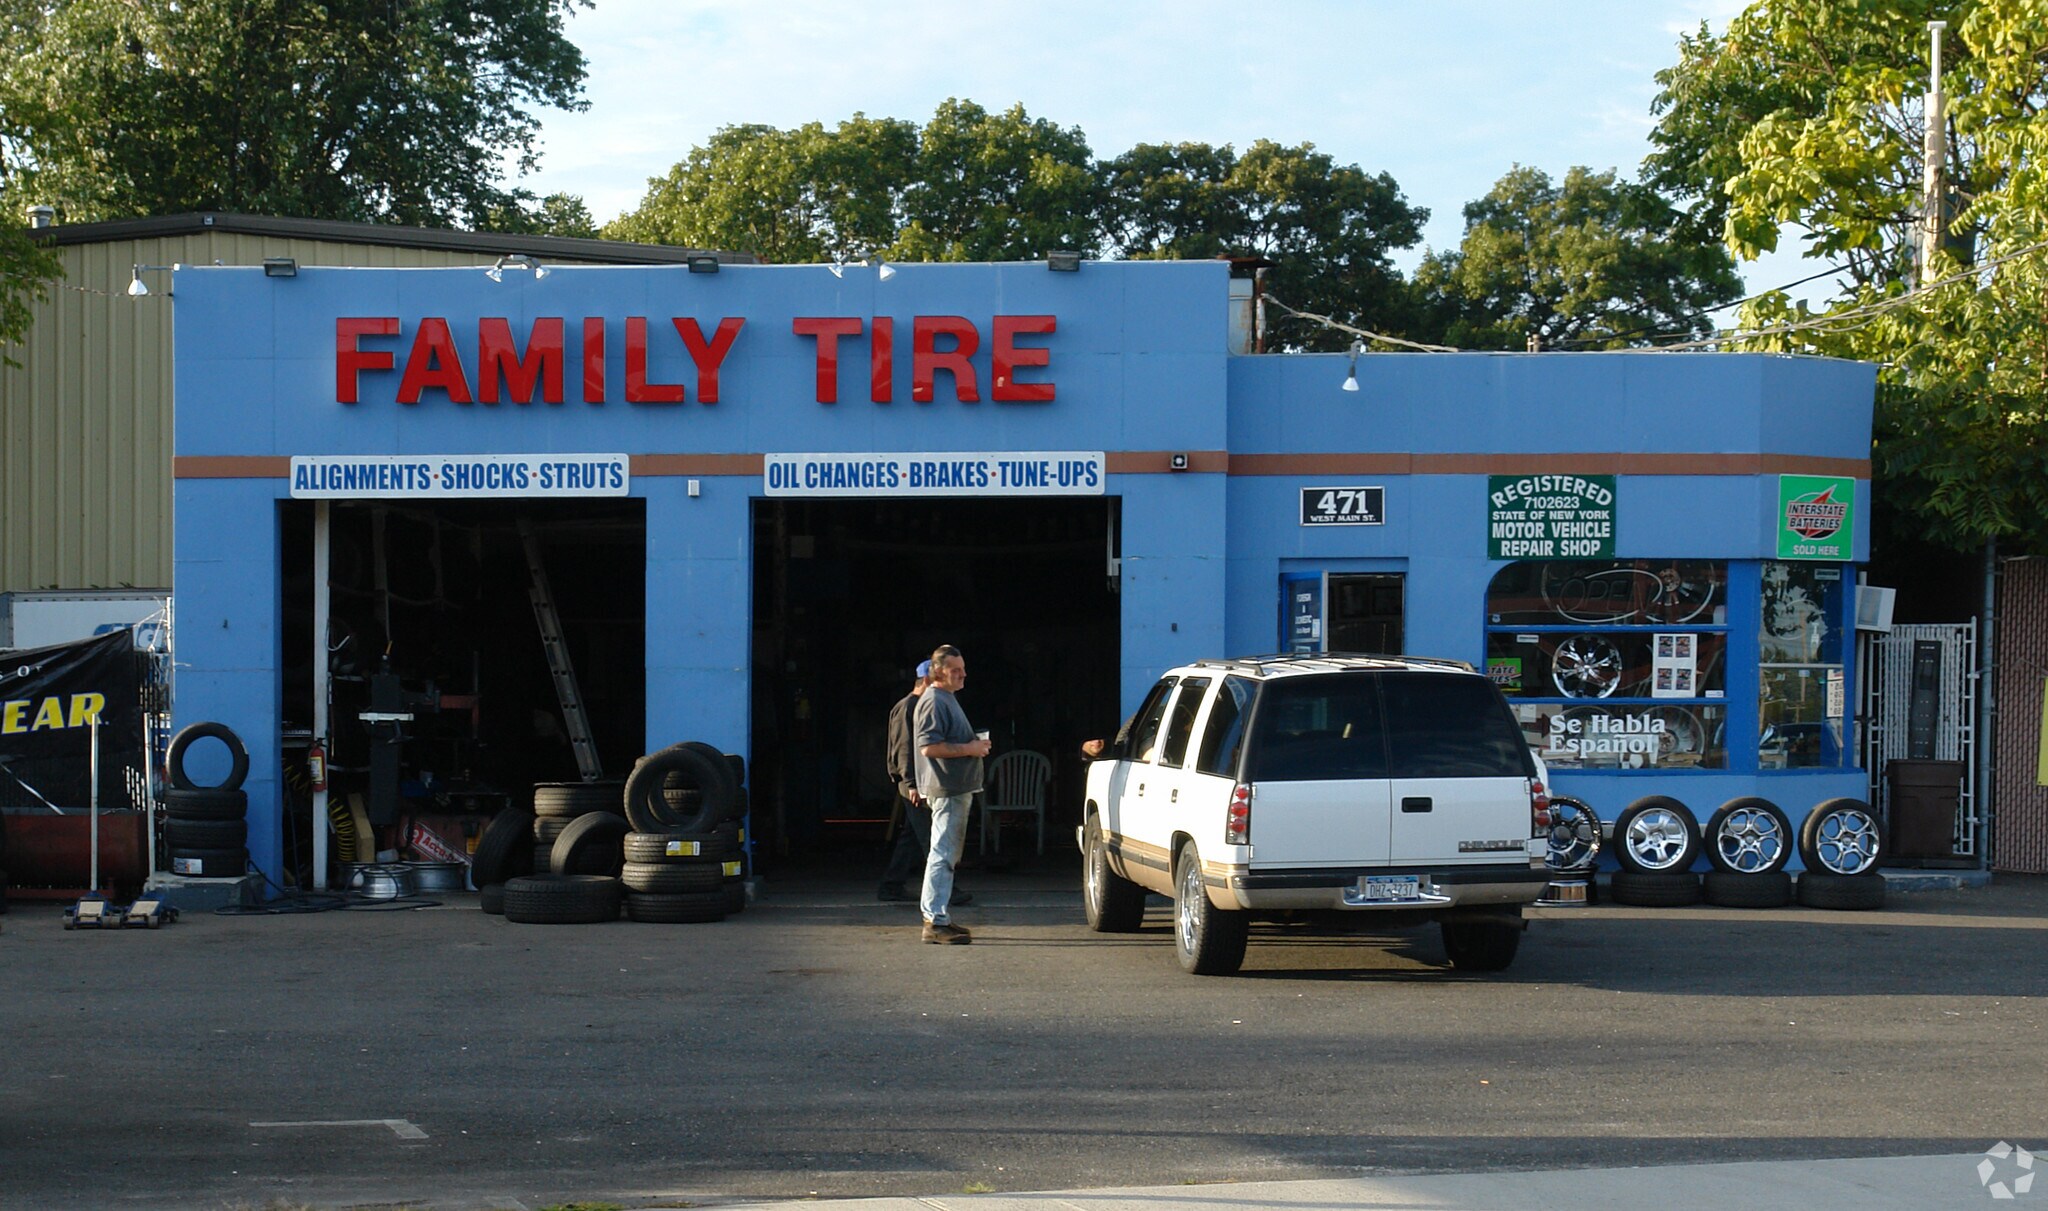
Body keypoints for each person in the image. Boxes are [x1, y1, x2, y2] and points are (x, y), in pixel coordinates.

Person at [913, 643, 991, 944]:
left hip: (955, 788)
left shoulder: (946, 698)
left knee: (946, 853)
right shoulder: (935, 700)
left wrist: (974, 747)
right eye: (955, 671)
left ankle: (938, 917)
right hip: (948, 789)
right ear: (938, 672)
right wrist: (970, 748)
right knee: (943, 854)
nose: (962, 675)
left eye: (962, 669)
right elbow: (928, 746)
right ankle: (934, 920)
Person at [877, 663, 971, 905]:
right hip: (915, 785)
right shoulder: (909, 706)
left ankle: (892, 884)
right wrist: (911, 784)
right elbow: (905, 748)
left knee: (913, 836)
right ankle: (946, 890)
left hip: (921, 782)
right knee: (933, 838)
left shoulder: (919, 705)